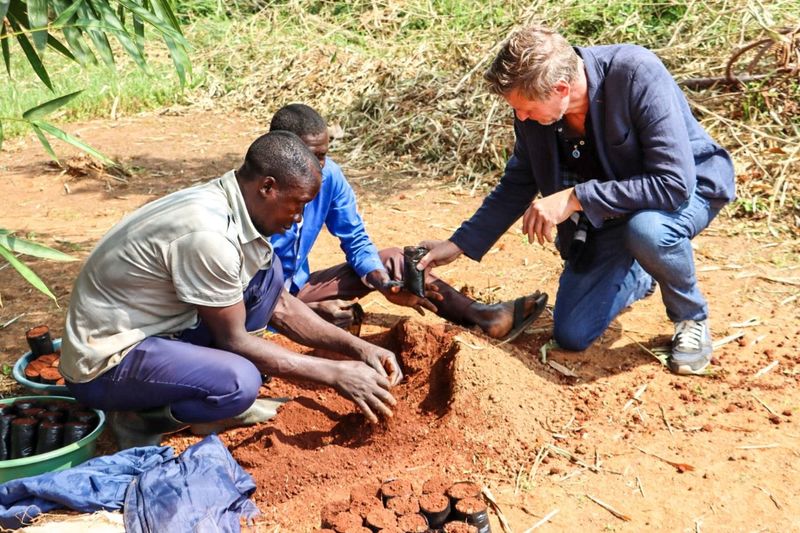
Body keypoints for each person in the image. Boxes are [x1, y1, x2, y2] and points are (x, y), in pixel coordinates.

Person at [418, 26, 736, 375]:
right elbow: (518, 181)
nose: (520, 117)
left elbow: (673, 183)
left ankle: (690, 318)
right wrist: (459, 243)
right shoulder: (534, 106)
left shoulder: (635, 72)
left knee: (649, 231)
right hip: (612, 210)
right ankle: (641, 271)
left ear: (561, 89)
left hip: (686, 191)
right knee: (572, 332)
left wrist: (576, 196)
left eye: (525, 109)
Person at [60, 131, 403, 449]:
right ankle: (141, 419)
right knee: (239, 382)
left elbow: (281, 305)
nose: (299, 217)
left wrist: (359, 348)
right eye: (297, 204)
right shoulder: (209, 235)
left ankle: (199, 392)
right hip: (108, 361)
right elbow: (234, 341)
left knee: (269, 276)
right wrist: (336, 373)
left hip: (156, 325)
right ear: (267, 187)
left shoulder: (233, 201)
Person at [268, 103, 548, 341]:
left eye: (323, 155)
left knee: (394, 261)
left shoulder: (329, 176)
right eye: (311, 156)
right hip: (261, 302)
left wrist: (384, 284)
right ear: (281, 151)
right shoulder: (256, 193)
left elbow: (355, 239)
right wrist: (306, 312)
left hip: (298, 287)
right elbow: (240, 292)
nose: (320, 166)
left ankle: (482, 315)